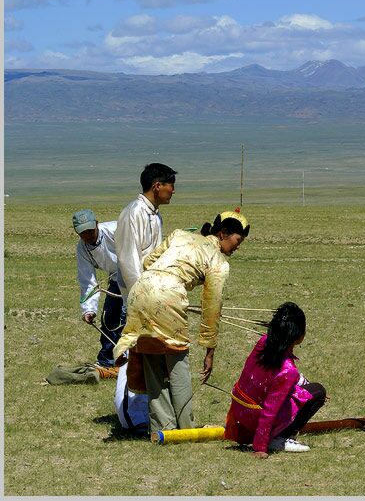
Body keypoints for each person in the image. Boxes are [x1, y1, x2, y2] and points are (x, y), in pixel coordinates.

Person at [112, 211, 249, 433]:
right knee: (177, 361)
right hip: (170, 295)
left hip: (140, 290)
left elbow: (149, 261)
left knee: (152, 359)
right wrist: (209, 350)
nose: (238, 246)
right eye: (237, 240)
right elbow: (212, 308)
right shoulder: (218, 262)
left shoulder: (179, 234)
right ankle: (185, 426)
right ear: (223, 233)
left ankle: (163, 426)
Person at [224, 302, 326, 455]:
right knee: (318, 391)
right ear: (298, 335)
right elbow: (270, 410)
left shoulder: (263, 342)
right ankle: (280, 437)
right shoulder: (288, 371)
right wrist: (260, 447)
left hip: (239, 414)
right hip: (255, 422)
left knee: (309, 388)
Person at [116, 163, 177, 299]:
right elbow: (128, 259)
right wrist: (141, 295)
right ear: (157, 186)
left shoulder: (155, 214)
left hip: (153, 289)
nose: (173, 191)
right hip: (139, 293)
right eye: (171, 186)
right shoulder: (134, 212)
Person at [73, 209, 123, 372]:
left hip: (137, 277)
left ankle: (135, 360)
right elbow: (88, 280)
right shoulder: (82, 249)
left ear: (96, 223)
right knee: (109, 319)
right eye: (83, 233)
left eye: (90, 230)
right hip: (115, 280)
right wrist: (89, 309)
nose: (88, 235)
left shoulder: (117, 230)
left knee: (129, 319)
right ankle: (107, 361)